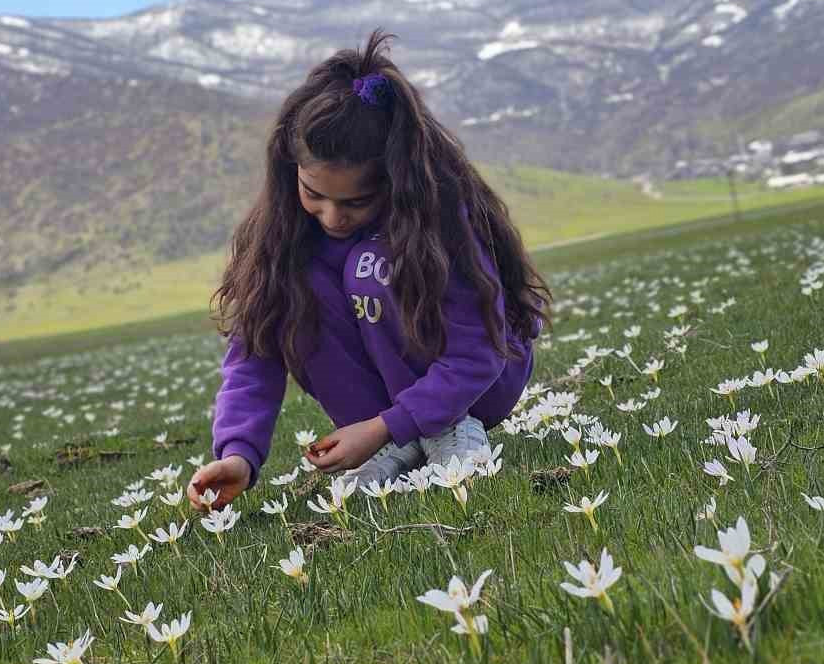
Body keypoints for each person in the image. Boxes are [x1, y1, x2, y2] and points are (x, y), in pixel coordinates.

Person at [187, 28, 551, 512]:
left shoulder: (440, 222)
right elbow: (254, 355)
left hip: (477, 388)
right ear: (290, 170)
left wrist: (384, 427)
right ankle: (400, 443)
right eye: (313, 194)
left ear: (396, 179)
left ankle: (440, 429)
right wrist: (238, 453)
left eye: (356, 202)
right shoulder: (279, 238)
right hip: (378, 417)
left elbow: (476, 353)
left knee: (368, 268)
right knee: (289, 289)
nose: (332, 217)